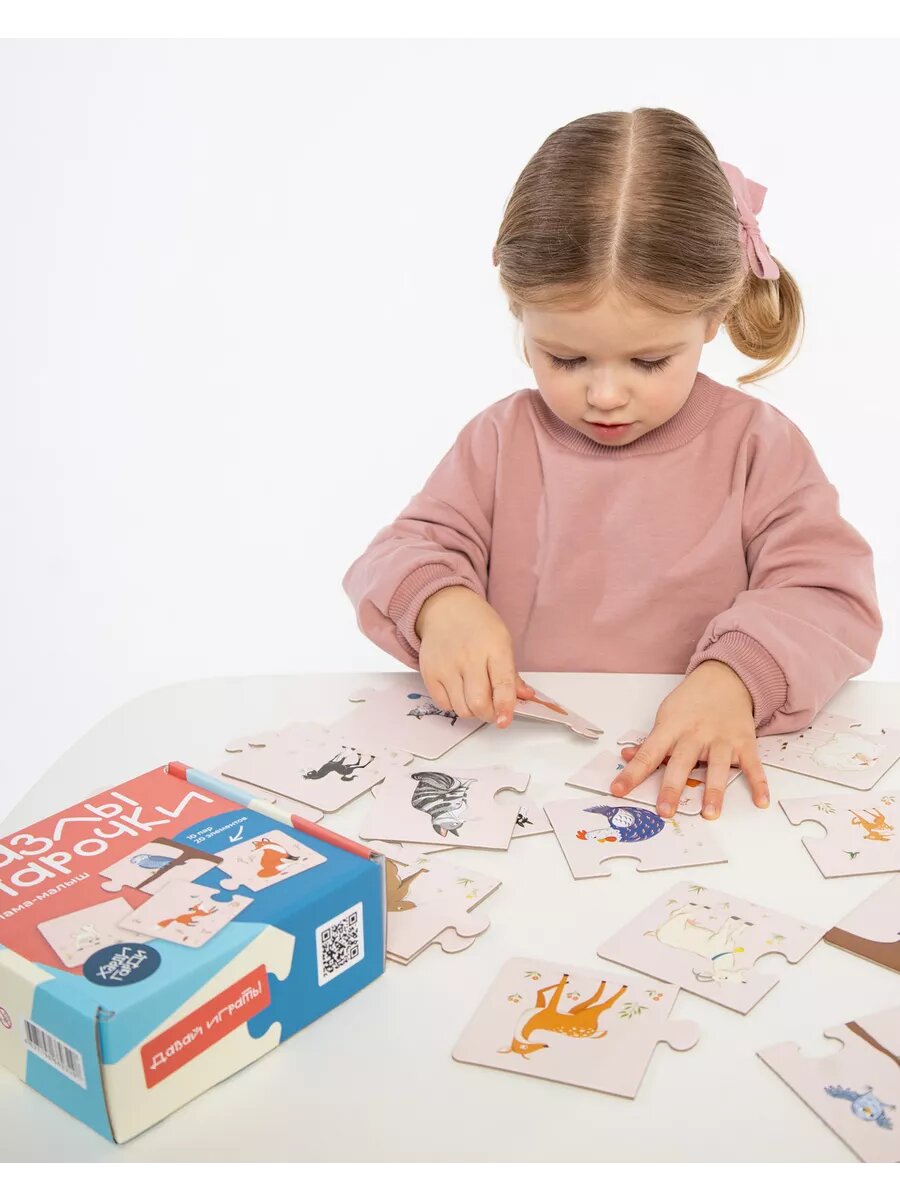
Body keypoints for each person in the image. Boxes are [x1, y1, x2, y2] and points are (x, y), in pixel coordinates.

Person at [342, 107, 882, 820]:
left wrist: (736, 677)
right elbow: (400, 553)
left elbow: (829, 597)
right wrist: (443, 606)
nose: (603, 395)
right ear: (519, 312)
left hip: (695, 780)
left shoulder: (759, 446)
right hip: (517, 770)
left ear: (713, 316)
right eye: (565, 358)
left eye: (648, 361)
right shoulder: (501, 439)